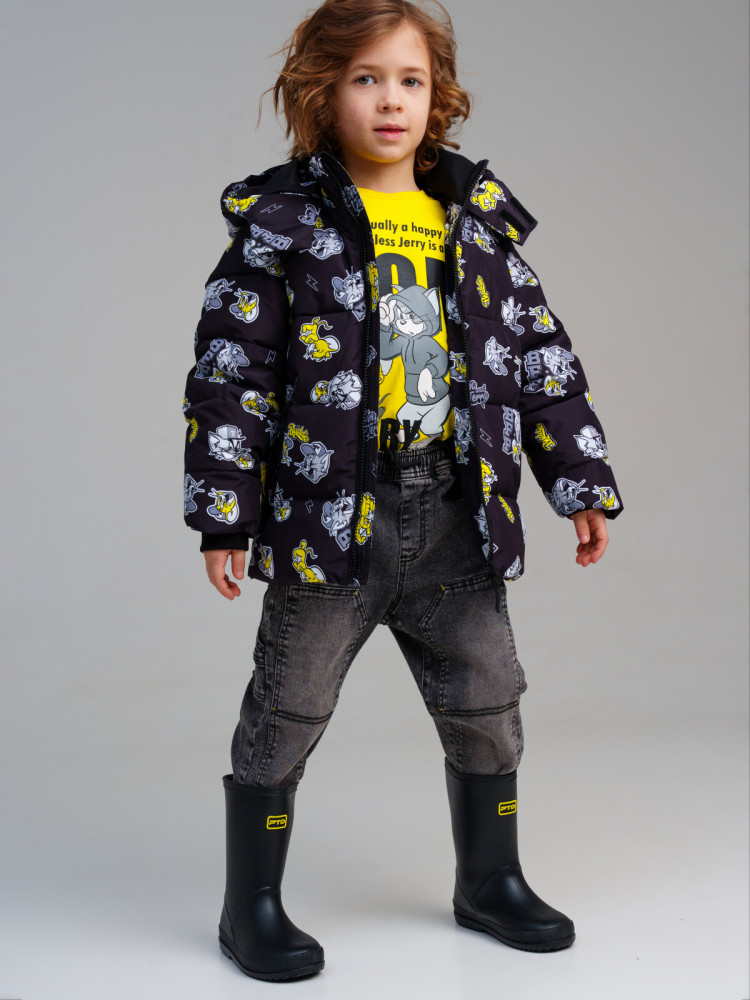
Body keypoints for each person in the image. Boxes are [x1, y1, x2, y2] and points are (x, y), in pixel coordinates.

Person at [182, 0, 623, 982]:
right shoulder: (284, 225)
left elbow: (541, 360)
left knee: (487, 698)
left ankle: (491, 879)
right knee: (287, 708)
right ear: (322, 94)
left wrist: (580, 480)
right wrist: (224, 515)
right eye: (367, 79)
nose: (391, 100)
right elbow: (231, 374)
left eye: (411, 80)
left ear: (439, 97)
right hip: (330, 518)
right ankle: (251, 904)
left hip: (457, 512)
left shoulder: (476, 220)